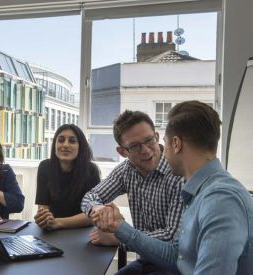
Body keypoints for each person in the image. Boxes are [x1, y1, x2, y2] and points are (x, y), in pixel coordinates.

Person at [95, 101, 253, 274]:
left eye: (164, 142)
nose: (161, 151)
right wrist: (119, 227)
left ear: (176, 144)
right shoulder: (197, 192)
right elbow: (177, 258)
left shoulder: (220, 201)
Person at [81, 110, 184, 274]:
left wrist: (119, 237)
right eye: (135, 146)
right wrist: (98, 209)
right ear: (122, 152)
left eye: (149, 140)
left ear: (157, 136)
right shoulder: (125, 171)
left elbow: (171, 238)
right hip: (145, 261)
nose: (146, 150)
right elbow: (90, 197)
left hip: (175, 267)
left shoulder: (178, 173)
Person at [34, 124, 100, 231]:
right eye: (60, 140)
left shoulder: (91, 170)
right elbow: (43, 208)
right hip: (53, 230)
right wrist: (44, 218)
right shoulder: (45, 167)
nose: (65, 145)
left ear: (81, 146)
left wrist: (58, 222)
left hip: (82, 232)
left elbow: (94, 214)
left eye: (72, 141)